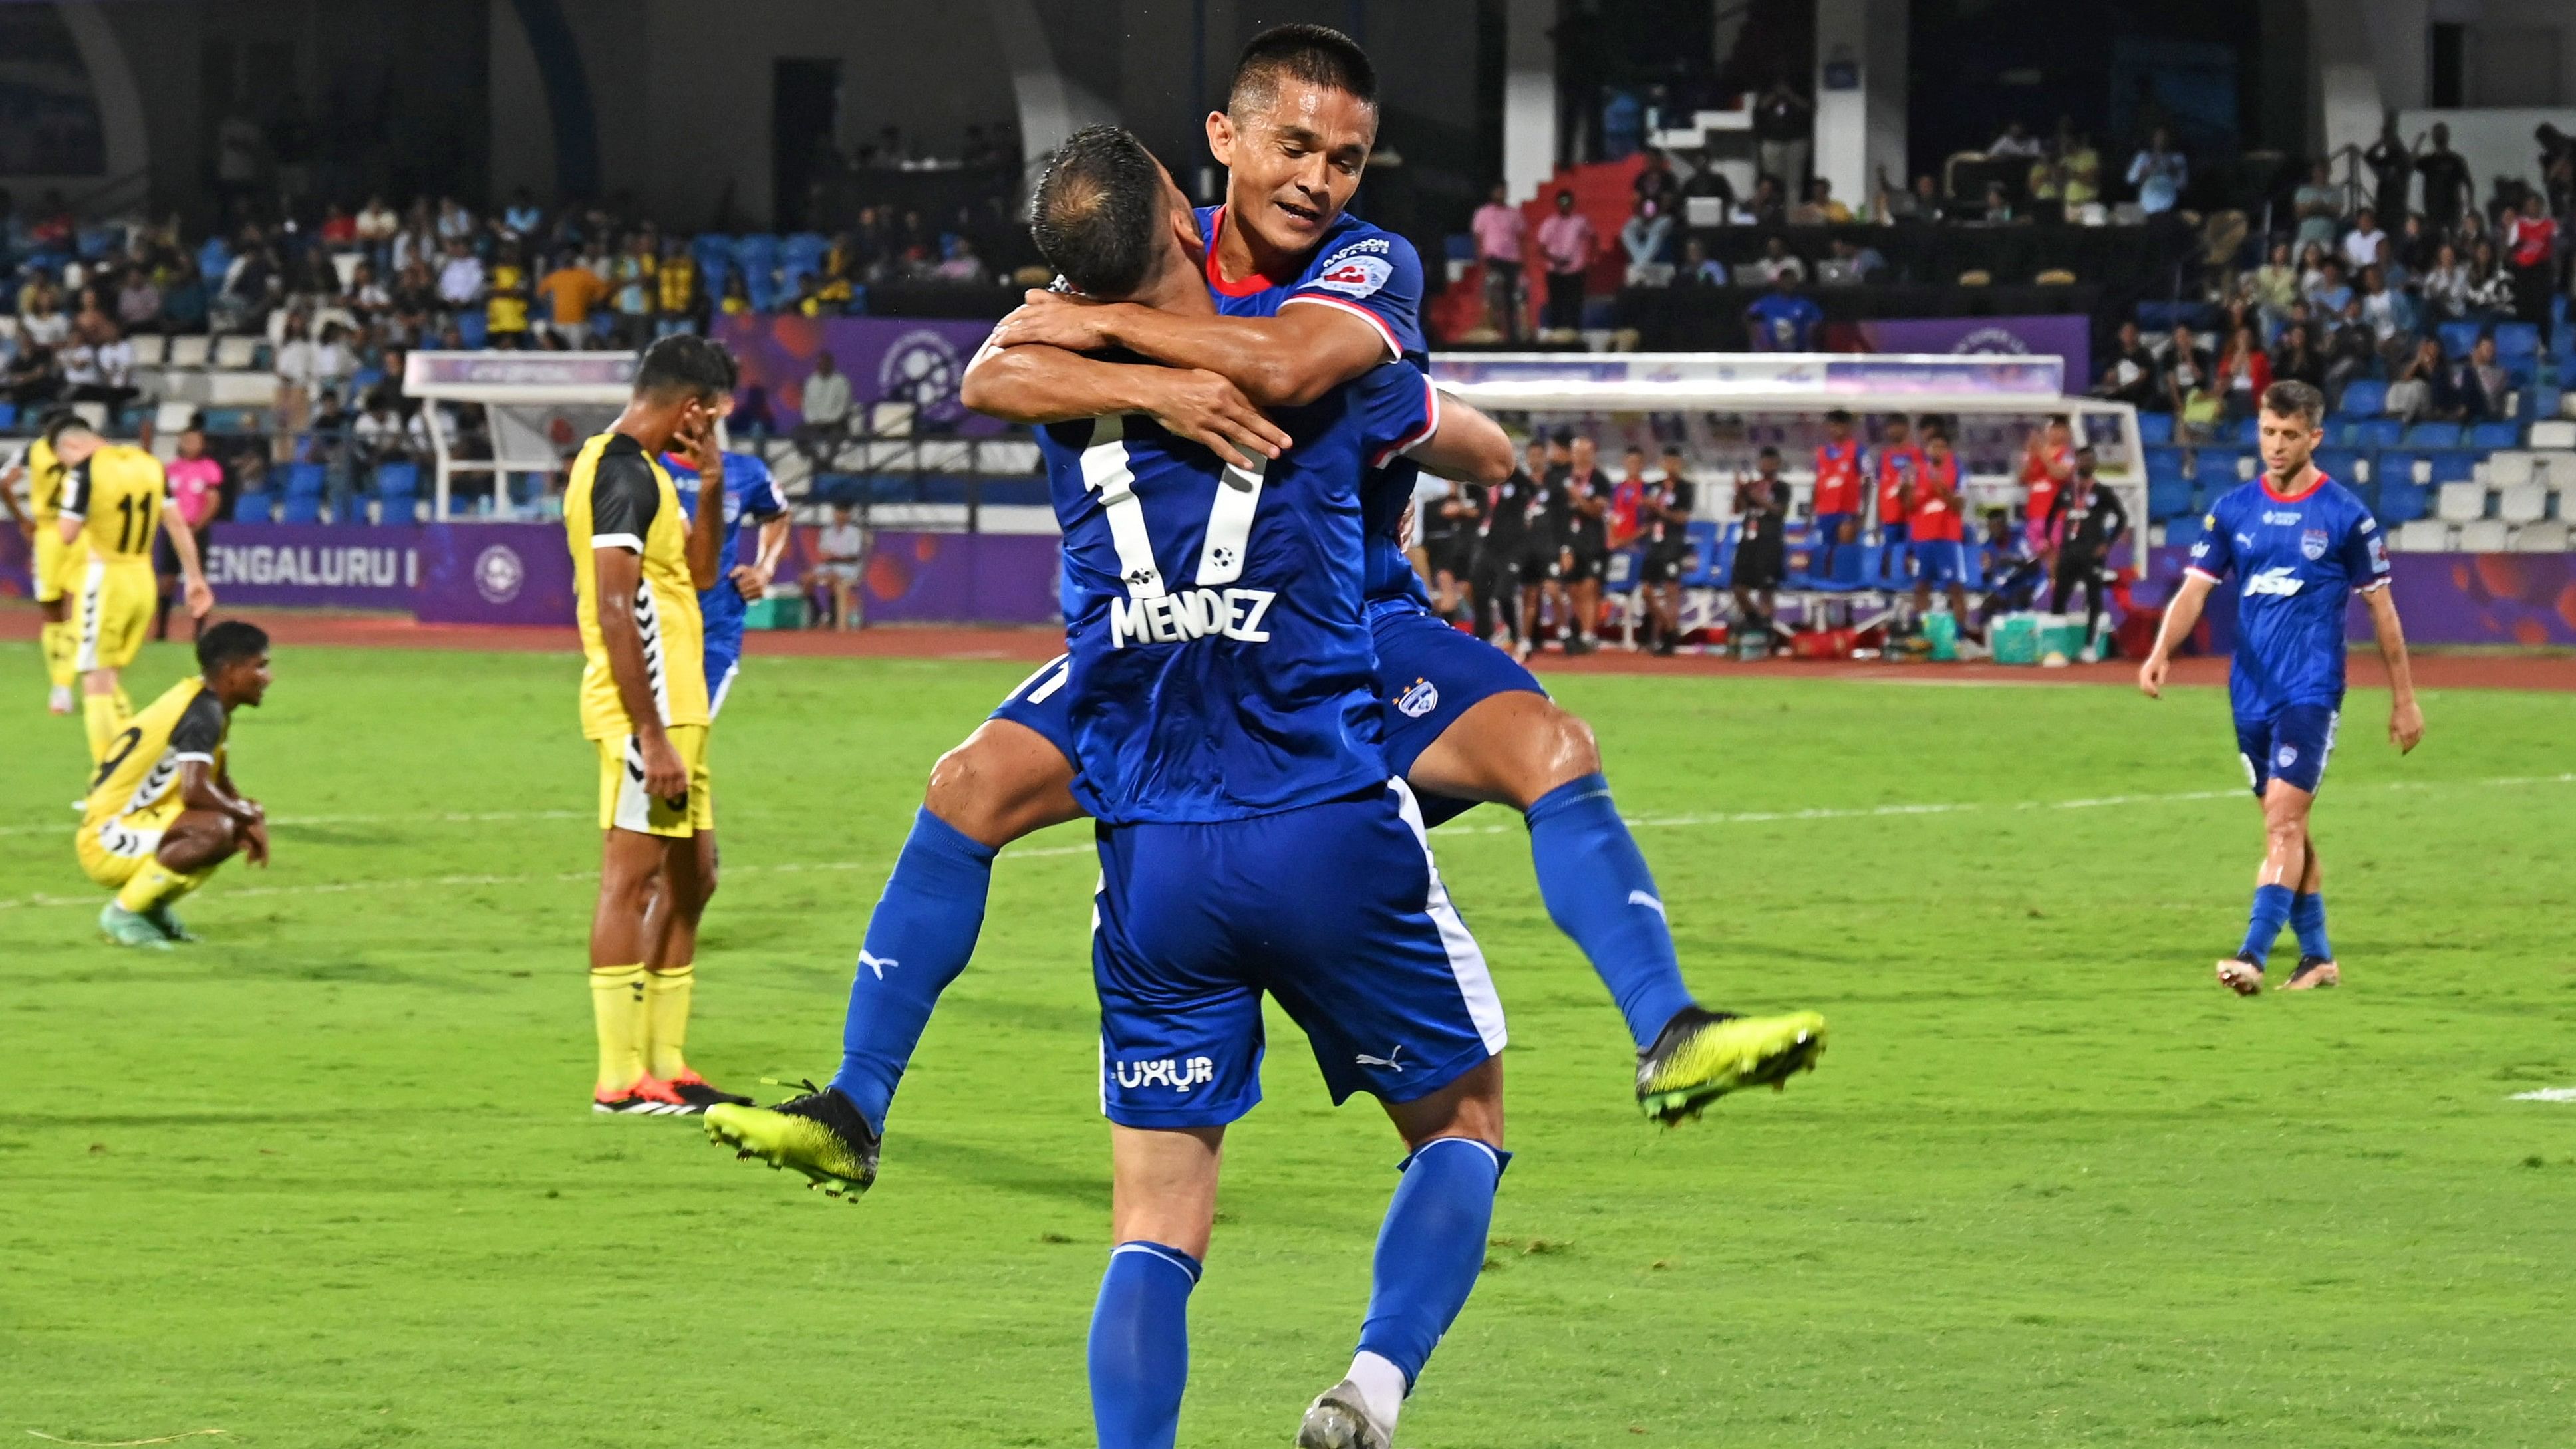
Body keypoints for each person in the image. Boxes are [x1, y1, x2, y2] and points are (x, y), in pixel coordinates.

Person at [714, 40, 1822, 1191]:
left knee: (1551, 745)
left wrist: (1170, 354)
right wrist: (1163, 387)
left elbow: (1313, 377)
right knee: (966, 785)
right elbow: (994, 371)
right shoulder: (1147, 243)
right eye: (1295, 146)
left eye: (1345, 159)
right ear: (1224, 139)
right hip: (1170, 632)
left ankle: (1666, 1025)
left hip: (1347, 622)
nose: (1319, 180)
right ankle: (854, 1101)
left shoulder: (1362, 264)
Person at [719, 121, 1510, 1449]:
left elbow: (988, 369)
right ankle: (1373, 1385)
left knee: (970, 797)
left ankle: (861, 1094)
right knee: (1461, 1115)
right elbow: (1438, 428)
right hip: (1271, 715)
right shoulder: (1311, 307)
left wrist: (1124, 365)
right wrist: (1196, 385)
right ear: (1186, 199)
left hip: (1144, 763)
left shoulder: (1057, 342)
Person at [2138, 380, 2420, 995]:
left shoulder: (2346, 515)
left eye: (2290, 434)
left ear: (2313, 436)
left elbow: (2383, 612)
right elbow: (2194, 589)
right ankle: (2317, 957)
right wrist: (2161, 651)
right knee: (2283, 823)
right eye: (2268, 431)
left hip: (2309, 692)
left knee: (2283, 826)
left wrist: (2403, 698)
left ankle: (2253, 955)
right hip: (2249, 694)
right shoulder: (2233, 509)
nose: (2276, 444)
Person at [561, 333, 751, 1116]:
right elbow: (614, 606)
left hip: (682, 708)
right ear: (693, 407)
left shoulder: (653, 476)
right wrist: (650, 733)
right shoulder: (618, 474)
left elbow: (699, 575)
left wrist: (709, 481)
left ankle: (666, 1064)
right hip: (653, 713)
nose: (713, 434)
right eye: (714, 423)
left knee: (692, 878)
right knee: (631, 877)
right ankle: (618, 1079)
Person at [77, 620, 273, 949]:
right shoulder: (202, 712)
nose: (268, 678)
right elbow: (194, 790)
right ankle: (125, 913)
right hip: (107, 837)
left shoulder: (206, 701)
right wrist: (247, 814)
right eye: (260, 667)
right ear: (231, 671)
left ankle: (151, 907)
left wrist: (247, 816)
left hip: (136, 820)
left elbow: (218, 779)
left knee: (228, 826)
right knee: (215, 829)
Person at [53, 418, 214, 766]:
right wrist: (196, 578)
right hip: (142, 577)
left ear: (71, 447)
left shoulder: (85, 472)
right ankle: (136, 764)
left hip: (106, 577)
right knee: (111, 679)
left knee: (95, 683)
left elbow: (67, 533)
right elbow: (176, 524)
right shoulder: (150, 465)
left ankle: (108, 783)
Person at [662, 446, 791, 718]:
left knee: (688, 731)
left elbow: (778, 514)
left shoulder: (745, 471)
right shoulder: (644, 466)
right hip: (653, 622)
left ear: (723, 407)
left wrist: (764, 569)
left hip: (716, 625)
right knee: (642, 740)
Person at [0, 416, 80, 714]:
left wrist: (22, 520)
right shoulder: (89, 453)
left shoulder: (31, 451)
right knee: (76, 610)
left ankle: (61, 688)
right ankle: (66, 680)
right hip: (80, 534)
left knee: (54, 612)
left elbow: (4, 482)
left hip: (48, 536)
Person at [2043, 447, 2128, 657]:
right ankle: (2057, 647)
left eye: (2090, 460)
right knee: (2059, 598)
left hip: (2092, 555)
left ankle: (2090, 646)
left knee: (2094, 599)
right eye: (2082, 460)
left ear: (2095, 464)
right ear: (2076, 463)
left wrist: (2107, 544)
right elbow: (2050, 517)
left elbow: (2122, 518)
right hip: (2068, 553)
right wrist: (2052, 544)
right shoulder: (2065, 491)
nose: (2086, 463)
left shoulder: (2102, 492)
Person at [1472, 438, 1544, 647]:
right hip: (1489, 544)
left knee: (1504, 593)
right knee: (1478, 585)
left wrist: (1512, 467)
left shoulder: (1520, 482)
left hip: (1512, 547)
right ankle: (1483, 637)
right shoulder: (1488, 482)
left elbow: (1533, 491)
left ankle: (1516, 635)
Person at [156, 426, 223, 641]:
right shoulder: (170, 469)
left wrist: (197, 527)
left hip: (197, 529)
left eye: (195, 440)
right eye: (186, 440)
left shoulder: (209, 468)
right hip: (172, 530)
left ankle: (199, 630)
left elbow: (213, 500)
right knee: (167, 579)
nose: (190, 444)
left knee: (198, 578)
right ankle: (161, 630)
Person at [1906, 425, 1972, 632]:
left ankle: (1960, 636)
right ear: (1927, 449)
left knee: (1956, 589)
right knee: (1921, 587)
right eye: (1934, 446)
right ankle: (1923, 635)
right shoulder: (1916, 472)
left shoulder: (1958, 471)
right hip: (1922, 538)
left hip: (1948, 538)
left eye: (1943, 447)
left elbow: (1959, 506)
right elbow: (1908, 507)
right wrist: (1905, 488)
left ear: (1949, 450)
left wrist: (1942, 488)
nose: (1938, 451)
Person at [1552, 434, 1610, 654]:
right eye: (1577, 452)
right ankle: (1578, 633)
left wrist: (1577, 498)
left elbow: (1597, 510)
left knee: (1590, 587)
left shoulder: (1599, 480)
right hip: (1570, 541)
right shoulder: (1562, 478)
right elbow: (1557, 514)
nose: (1580, 457)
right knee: (1573, 588)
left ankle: (1588, 635)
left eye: (1585, 452)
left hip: (1592, 540)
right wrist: (1563, 546)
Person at [1635, 446, 1695, 655]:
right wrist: (1646, 508)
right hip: (1654, 544)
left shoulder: (1685, 488)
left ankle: (1668, 640)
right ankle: (1669, 629)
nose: (1671, 465)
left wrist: (1659, 509)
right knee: (1647, 591)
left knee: (1671, 591)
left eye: (1675, 462)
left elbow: (1682, 517)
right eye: (1667, 461)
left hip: (1673, 544)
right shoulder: (1654, 487)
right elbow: (1646, 517)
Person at [1729, 447, 1789, 628]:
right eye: (1764, 461)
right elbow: (1737, 509)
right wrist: (1740, 491)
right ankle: (1755, 622)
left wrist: (1758, 497)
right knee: (1738, 587)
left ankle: (1767, 629)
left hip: (1769, 542)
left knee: (1766, 589)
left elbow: (1779, 510)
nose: (1767, 466)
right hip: (1748, 542)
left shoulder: (1782, 487)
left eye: (1771, 462)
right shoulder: (1751, 486)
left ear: (1778, 464)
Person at [1811, 408, 1863, 583]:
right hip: (1825, 512)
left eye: (1840, 425)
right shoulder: (1820, 453)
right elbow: (1817, 483)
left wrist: (1862, 511)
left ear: (1848, 427)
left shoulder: (1857, 451)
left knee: (1845, 554)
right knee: (1826, 553)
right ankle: (1825, 590)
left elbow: (1868, 482)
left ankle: (1847, 595)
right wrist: (1812, 511)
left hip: (1846, 511)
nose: (1836, 429)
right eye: (1832, 425)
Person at [1470, 181, 1526, 340]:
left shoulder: (1514, 214)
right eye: (1497, 191)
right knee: (1492, 298)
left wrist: (1522, 263)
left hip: (1512, 261)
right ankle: (1493, 333)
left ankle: (1513, 336)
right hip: (1493, 260)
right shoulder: (1483, 214)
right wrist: (1481, 261)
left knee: (1512, 299)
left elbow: (1521, 238)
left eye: (1502, 191)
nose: (1500, 194)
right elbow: (1478, 238)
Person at [1422, 471, 1481, 620]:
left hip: (1446, 540)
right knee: (1439, 583)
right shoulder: (1429, 486)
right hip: (1428, 540)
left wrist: (1460, 509)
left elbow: (1463, 509)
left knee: (1446, 579)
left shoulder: (1450, 490)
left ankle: (1452, 622)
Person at [1536, 187, 1594, 336]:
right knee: (1556, 307)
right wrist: (1556, 260)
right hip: (1555, 271)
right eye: (1562, 202)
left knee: (1574, 307)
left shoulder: (1580, 222)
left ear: (1573, 203)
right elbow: (1541, 248)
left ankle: (1574, 338)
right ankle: (1557, 339)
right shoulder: (1549, 223)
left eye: (1568, 201)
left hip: (1576, 271)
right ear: (1557, 203)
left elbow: (1592, 238)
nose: (1565, 205)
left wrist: (1590, 259)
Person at [2017, 416, 2074, 562]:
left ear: (2068, 433)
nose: (2055, 432)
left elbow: (2060, 474)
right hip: (2034, 515)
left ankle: (2055, 583)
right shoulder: (2034, 452)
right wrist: (2031, 454)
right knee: (2037, 557)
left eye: (2060, 429)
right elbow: (2021, 479)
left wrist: (2042, 452)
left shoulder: (2068, 454)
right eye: (2053, 428)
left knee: (2055, 556)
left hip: (2055, 517)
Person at [1870, 415, 1922, 553]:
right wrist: (1877, 521)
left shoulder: (1917, 454)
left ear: (1906, 428)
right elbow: (1880, 489)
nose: (1893, 430)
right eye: (1890, 427)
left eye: (1897, 426)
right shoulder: (1884, 457)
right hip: (1889, 520)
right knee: (1889, 557)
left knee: (1909, 558)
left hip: (1911, 519)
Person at [810, 503, 865, 628]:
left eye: (843, 513)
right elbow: (823, 553)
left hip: (849, 568)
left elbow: (854, 557)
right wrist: (829, 557)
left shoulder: (854, 532)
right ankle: (817, 614)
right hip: (829, 566)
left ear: (848, 515)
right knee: (807, 579)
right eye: (838, 512)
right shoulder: (827, 531)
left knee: (833, 578)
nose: (840, 516)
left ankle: (833, 616)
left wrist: (835, 557)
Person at [2414, 124, 2472, 237]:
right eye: (2437, 134)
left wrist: (2469, 206)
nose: (2439, 137)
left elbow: (2468, 183)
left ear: (2447, 136)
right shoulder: (2429, 160)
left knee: (2453, 239)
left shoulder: (2455, 160)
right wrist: (2418, 142)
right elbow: (2412, 162)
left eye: (2441, 134)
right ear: (2433, 137)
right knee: (2434, 241)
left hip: (2452, 209)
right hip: (2433, 211)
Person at [1744, 269, 1821, 351]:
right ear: (1779, 282)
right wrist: (1758, 342)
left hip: (1797, 350)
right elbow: (1748, 316)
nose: (1789, 283)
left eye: (1792, 280)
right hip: (1769, 350)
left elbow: (1817, 321)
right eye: (1786, 280)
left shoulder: (1806, 304)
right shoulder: (1764, 302)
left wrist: (1806, 341)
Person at [2363, 116, 2413, 228]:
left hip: (2397, 209)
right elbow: (2368, 157)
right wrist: (2380, 142)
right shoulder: (2386, 159)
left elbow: (2408, 162)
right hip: (2383, 208)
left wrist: (2394, 140)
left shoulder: (2402, 158)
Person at [2127, 128, 2187, 215]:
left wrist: (2172, 171)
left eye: (2164, 137)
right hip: (2146, 207)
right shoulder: (2143, 157)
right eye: (2158, 137)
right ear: (2153, 138)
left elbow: (2183, 185)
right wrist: (2146, 170)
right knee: (2123, 215)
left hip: (2168, 208)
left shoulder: (2178, 158)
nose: (2161, 140)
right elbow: (2130, 179)